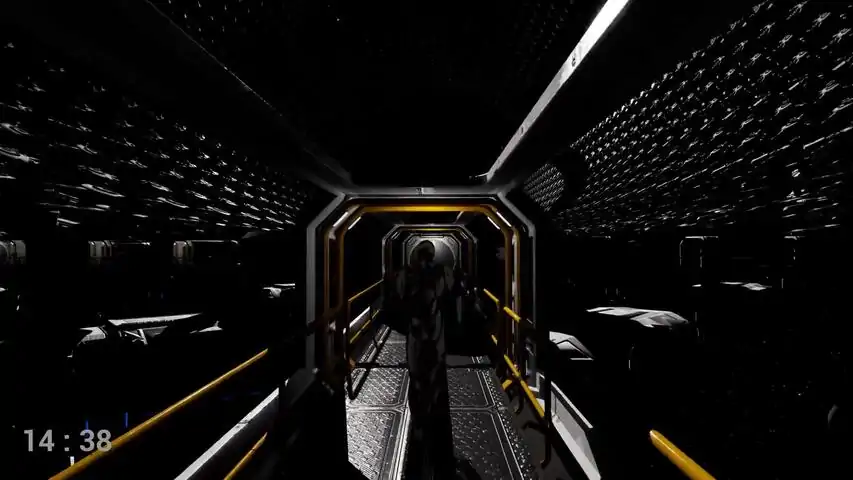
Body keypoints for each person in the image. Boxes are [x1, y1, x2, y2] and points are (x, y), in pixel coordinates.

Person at [386, 240, 456, 479]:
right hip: (433, 331)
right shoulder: (441, 273)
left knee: (418, 376)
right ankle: (431, 418)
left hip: (417, 332)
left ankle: (420, 423)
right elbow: (448, 292)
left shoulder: (407, 274)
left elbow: (398, 297)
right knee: (433, 374)